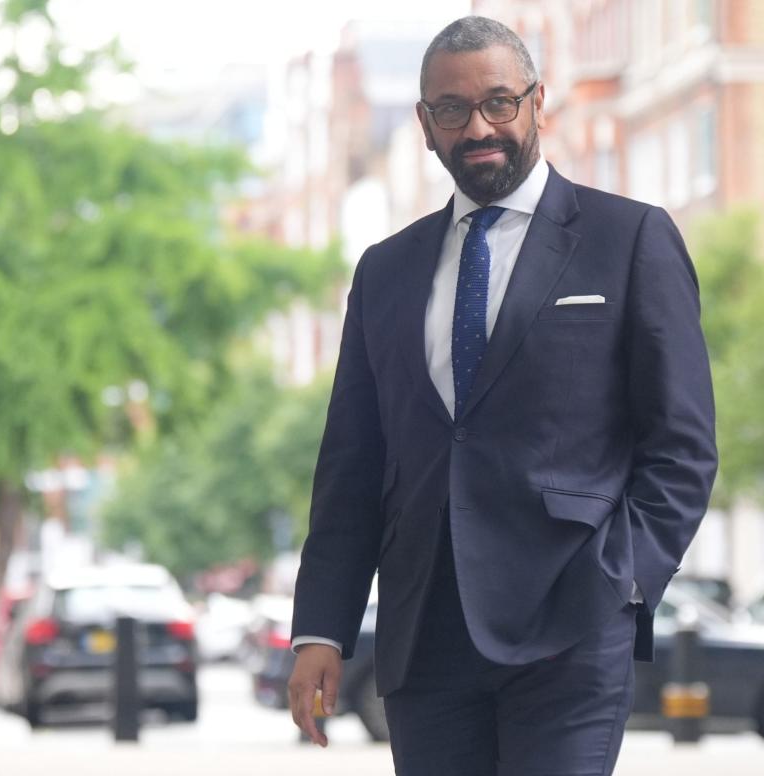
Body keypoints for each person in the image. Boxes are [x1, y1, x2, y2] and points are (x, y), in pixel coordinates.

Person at [289, 16, 717, 776]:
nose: (478, 126)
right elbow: (351, 469)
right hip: (424, 636)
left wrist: (620, 582)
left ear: (536, 102)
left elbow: (680, 448)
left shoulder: (628, 241)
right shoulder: (384, 271)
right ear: (424, 126)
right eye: (451, 110)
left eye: (498, 102)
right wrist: (321, 629)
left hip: (571, 623)